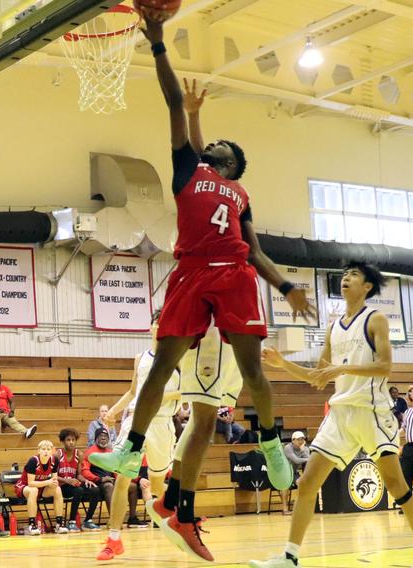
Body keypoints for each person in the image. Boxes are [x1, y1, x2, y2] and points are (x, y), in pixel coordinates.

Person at [91, 34, 315, 558]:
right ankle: (132, 449)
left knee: (250, 373)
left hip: (233, 271)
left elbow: (255, 249)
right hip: (191, 271)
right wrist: (158, 45)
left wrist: (285, 286)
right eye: (207, 142)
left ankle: (269, 444)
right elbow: (174, 106)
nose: (211, 145)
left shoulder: (240, 193)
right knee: (163, 364)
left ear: (232, 165)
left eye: (221, 146)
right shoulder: (187, 171)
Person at [250, 263, 413, 568]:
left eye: (353, 275)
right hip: (340, 413)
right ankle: (290, 556)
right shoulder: (333, 326)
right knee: (308, 482)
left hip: (371, 411)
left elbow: (385, 367)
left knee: (396, 484)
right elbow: (318, 377)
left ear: (367, 286)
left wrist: (344, 368)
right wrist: (281, 364)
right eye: (344, 275)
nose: (346, 279)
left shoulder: (375, 319)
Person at [145, 322, 244, 558]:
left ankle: (169, 502)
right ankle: (181, 514)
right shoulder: (145, 357)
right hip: (210, 340)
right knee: (202, 424)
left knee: (202, 424)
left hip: (230, 341)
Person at [96, 311, 181, 561]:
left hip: (162, 424)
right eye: (157, 323)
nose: (159, 327)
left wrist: (163, 396)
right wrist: (114, 409)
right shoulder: (140, 358)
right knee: (123, 478)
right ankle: (114, 539)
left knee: (156, 484)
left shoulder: (180, 358)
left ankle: (179, 522)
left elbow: (186, 391)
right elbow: (134, 390)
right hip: (135, 419)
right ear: (151, 327)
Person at [15, 440, 69, 535]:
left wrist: (53, 483)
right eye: (43, 449)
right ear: (38, 451)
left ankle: (59, 524)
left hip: (41, 486)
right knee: (33, 490)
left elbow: (54, 479)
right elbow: (31, 483)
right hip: (25, 486)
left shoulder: (54, 460)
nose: (46, 451)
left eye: (48, 449)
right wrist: (48, 482)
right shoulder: (33, 461)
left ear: (52, 451)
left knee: (57, 489)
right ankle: (32, 525)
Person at [54, 428, 100, 531]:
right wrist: (67, 480)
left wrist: (86, 480)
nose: (71, 442)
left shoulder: (79, 454)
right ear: (63, 441)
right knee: (78, 490)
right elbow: (53, 476)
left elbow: (78, 474)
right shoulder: (57, 455)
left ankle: (88, 521)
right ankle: (71, 522)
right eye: (68, 440)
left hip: (74, 484)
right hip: (61, 486)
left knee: (95, 489)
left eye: (73, 440)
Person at [0, 372, 37, 439]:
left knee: (12, 420)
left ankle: (26, 432)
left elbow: (12, 401)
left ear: (0, 379)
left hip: (4, 412)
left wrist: (12, 411)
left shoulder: (5, 388)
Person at [280, 431, 310, 515]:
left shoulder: (305, 449)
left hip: (294, 473)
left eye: (302, 439)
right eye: (298, 439)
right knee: (285, 486)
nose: (300, 441)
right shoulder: (288, 448)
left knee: (302, 484)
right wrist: (307, 458)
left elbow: (309, 460)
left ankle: (297, 506)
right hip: (284, 473)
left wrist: (303, 450)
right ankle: (285, 509)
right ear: (293, 441)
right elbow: (296, 460)